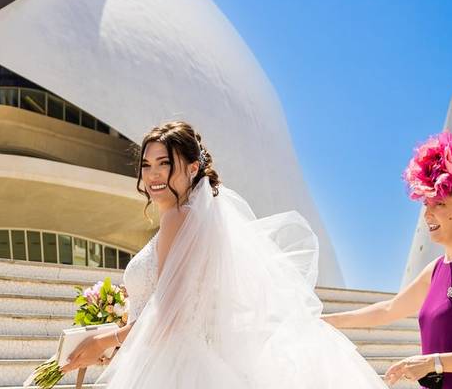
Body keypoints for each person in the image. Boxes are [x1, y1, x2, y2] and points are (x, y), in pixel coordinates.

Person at [60, 120, 388, 388]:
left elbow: (169, 317)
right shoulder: (191, 219)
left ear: (191, 168)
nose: (152, 174)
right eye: (146, 165)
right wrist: (118, 342)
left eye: (164, 163)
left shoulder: (180, 217)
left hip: (174, 369)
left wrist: (103, 340)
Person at [322, 131, 452, 388]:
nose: (427, 213)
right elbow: (389, 309)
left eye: (438, 204)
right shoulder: (435, 270)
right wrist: (329, 322)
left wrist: (432, 363)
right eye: (426, 204)